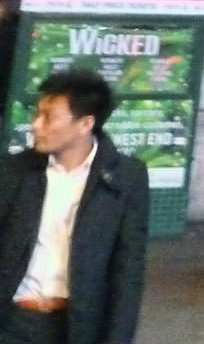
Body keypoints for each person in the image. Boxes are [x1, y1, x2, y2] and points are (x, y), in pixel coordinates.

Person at [0, 68, 149, 344]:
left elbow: (128, 271)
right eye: (37, 114)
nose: (36, 125)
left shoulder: (126, 178)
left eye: (49, 117)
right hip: (12, 322)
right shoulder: (12, 171)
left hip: (76, 326)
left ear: (85, 124)